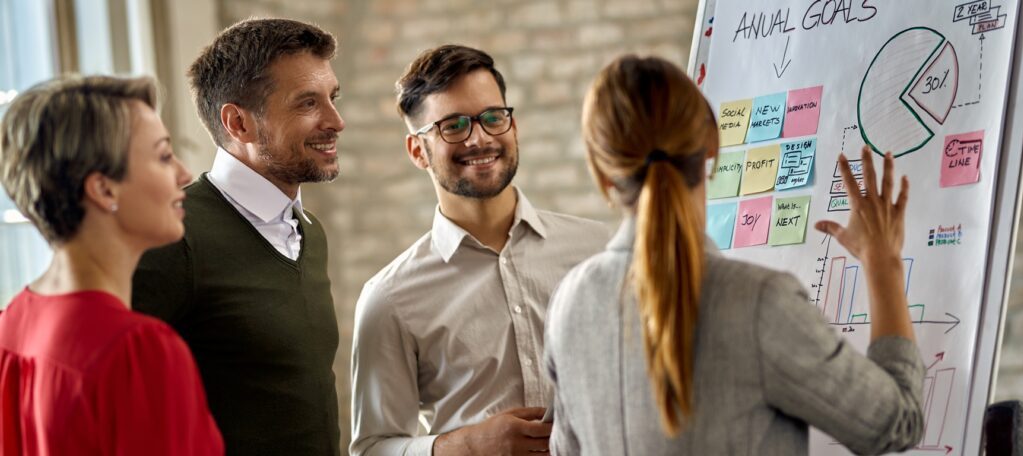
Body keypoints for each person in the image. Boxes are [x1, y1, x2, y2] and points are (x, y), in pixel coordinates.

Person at [543, 55, 925, 455]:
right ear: (710, 147)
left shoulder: (568, 304)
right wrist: (884, 263)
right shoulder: (759, 302)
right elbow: (896, 423)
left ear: (602, 174)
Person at [349, 44, 609, 456]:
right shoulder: (389, 298)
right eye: (453, 126)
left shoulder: (600, 251)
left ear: (514, 126)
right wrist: (465, 446)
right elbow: (372, 448)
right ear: (418, 151)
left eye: (493, 118)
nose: (480, 138)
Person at [131, 18, 344, 455]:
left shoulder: (309, 232)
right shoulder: (172, 235)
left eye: (332, 98)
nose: (336, 121)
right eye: (307, 103)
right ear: (238, 124)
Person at [0, 75, 223, 454]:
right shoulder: (138, 352)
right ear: (104, 189)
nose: (184, 175)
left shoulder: (11, 324)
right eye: (164, 156)